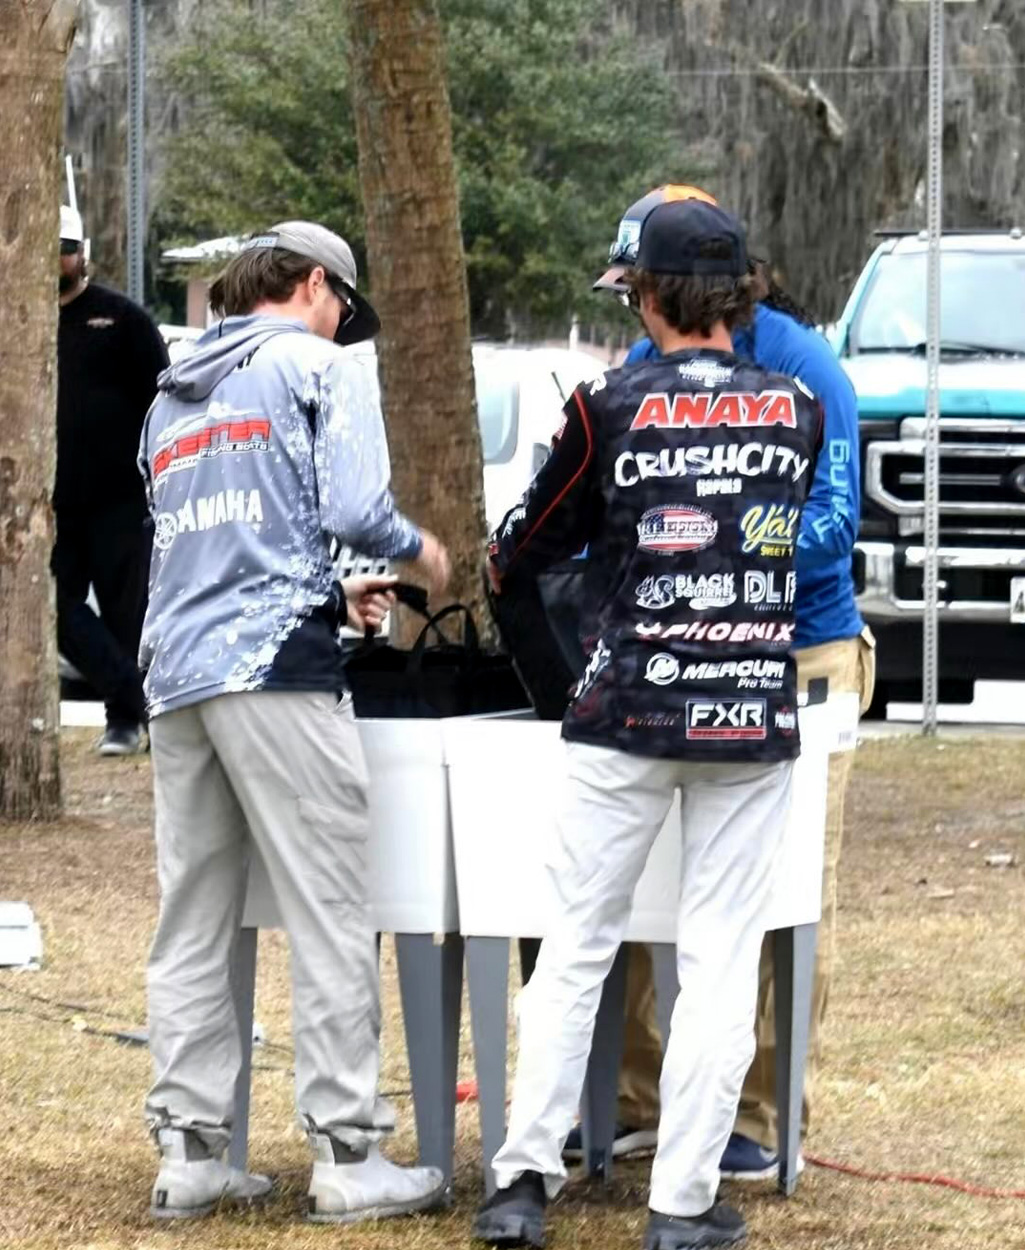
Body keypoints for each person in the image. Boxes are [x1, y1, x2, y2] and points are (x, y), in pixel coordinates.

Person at [473, 199, 823, 1250]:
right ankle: (680, 1202)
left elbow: (518, 550)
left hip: (624, 704)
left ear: (648, 296)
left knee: (574, 943)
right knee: (718, 959)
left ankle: (521, 1182)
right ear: (737, 296)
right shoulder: (797, 406)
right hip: (748, 712)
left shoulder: (605, 404)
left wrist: (565, 654)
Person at [138, 222, 451, 1224]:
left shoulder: (172, 389)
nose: (343, 332)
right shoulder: (317, 366)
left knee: (193, 915)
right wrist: (418, 550)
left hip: (177, 672)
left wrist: (328, 593)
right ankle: (349, 1153)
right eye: (342, 311)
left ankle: (190, 1150)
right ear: (313, 284)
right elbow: (356, 508)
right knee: (330, 907)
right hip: (275, 666)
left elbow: (211, 539)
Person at [587, 185, 874, 1182]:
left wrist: (723, 545)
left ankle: (756, 1113)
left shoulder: (805, 368)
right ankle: (632, 1100)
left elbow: (835, 523)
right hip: (673, 657)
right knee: (633, 890)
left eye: (639, 288)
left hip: (801, 653)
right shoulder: (641, 363)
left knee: (780, 899)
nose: (635, 311)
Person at [54, 204, 169, 755]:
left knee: (127, 616)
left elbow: (164, 399)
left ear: (83, 254)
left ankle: (124, 722)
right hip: (50, 505)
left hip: (122, 499)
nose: (55, 259)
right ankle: (134, 695)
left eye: (64, 248)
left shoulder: (122, 319)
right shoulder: (18, 320)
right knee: (52, 609)